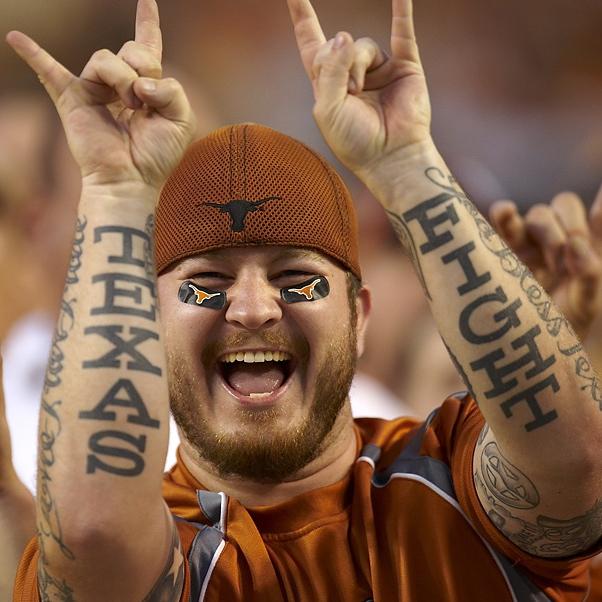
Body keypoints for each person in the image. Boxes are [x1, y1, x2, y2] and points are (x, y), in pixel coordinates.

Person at [6, 0, 602, 601]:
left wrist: (404, 165)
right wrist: (116, 193)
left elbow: (579, 463)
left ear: (359, 317)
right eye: (205, 286)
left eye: (297, 279)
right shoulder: (163, 553)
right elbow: (94, 532)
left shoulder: (449, 479)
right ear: (149, 331)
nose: (253, 308)